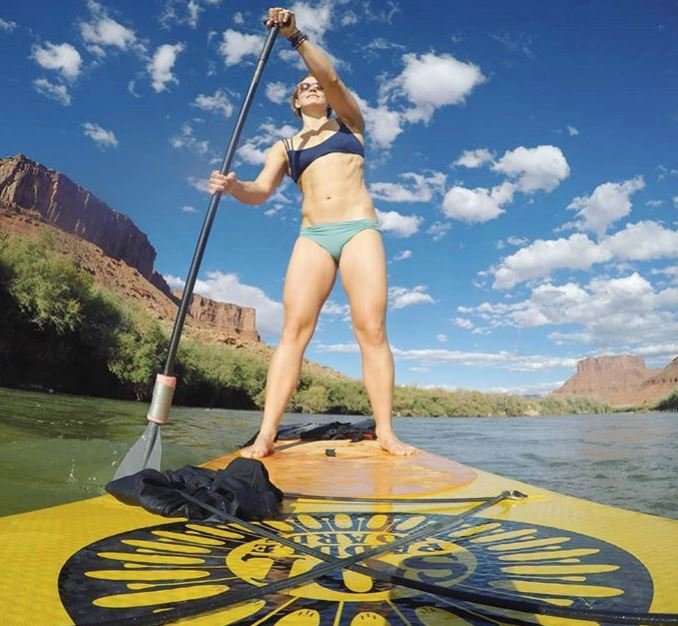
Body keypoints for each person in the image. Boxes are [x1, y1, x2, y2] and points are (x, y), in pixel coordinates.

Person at [208, 6, 414, 458]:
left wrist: (294, 36)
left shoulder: (349, 125)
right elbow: (260, 191)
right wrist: (233, 186)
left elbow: (334, 80)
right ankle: (266, 435)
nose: (313, 87)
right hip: (313, 238)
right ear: (296, 104)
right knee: (294, 332)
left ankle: (385, 432)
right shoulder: (283, 147)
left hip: (359, 230)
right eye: (304, 88)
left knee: (371, 329)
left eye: (315, 84)